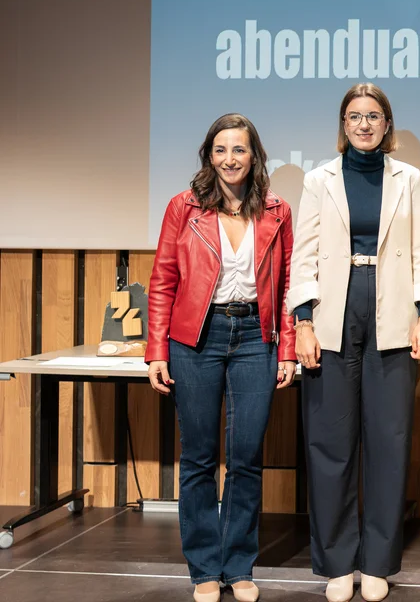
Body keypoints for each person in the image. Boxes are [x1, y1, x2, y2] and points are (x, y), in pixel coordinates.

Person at [286, 83, 420, 602]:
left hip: (393, 309)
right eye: (355, 116)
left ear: (387, 124)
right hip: (333, 310)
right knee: (330, 442)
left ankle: (376, 563)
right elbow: (304, 255)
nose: (364, 124)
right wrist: (303, 322)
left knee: (389, 441)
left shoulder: (407, 178)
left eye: (373, 116)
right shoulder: (319, 180)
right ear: (343, 124)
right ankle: (337, 564)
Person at [146, 113, 297, 602]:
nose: (230, 159)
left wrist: (287, 348)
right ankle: (205, 570)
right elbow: (163, 280)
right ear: (209, 156)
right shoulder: (183, 207)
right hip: (196, 337)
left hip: (256, 335)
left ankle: (239, 567)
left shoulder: (276, 209)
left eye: (239, 149)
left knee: (247, 457)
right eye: (221, 150)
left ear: (254, 156)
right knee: (199, 458)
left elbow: (289, 284)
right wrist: (156, 349)